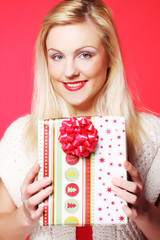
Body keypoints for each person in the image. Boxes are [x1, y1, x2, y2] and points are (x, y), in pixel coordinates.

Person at [0, 0, 160, 239]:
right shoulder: (20, 136)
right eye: (57, 57)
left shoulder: (151, 134)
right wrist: (25, 215)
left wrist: (144, 211)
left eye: (85, 54)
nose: (69, 72)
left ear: (110, 58)